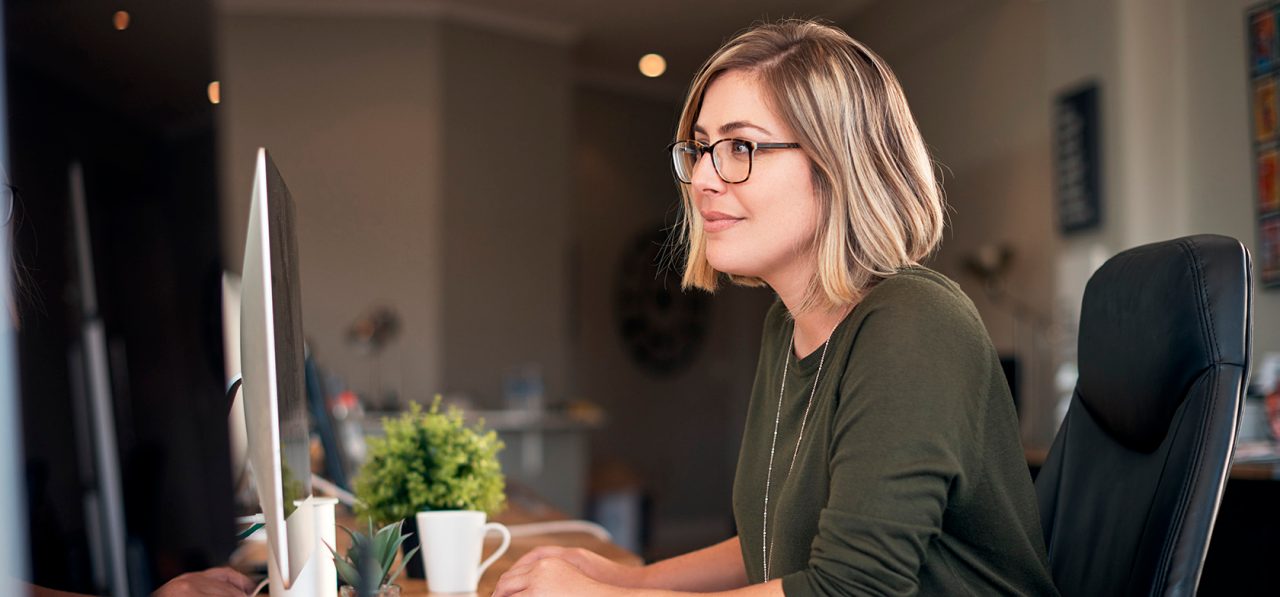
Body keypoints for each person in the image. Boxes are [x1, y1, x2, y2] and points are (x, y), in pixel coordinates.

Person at [492, 19, 1058, 597]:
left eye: (740, 147)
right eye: (701, 148)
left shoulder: (915, 323)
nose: (704, 180)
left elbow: (851, 588)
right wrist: (621, 575)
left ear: (838, 164)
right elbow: (772, 542)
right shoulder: (784, 326)